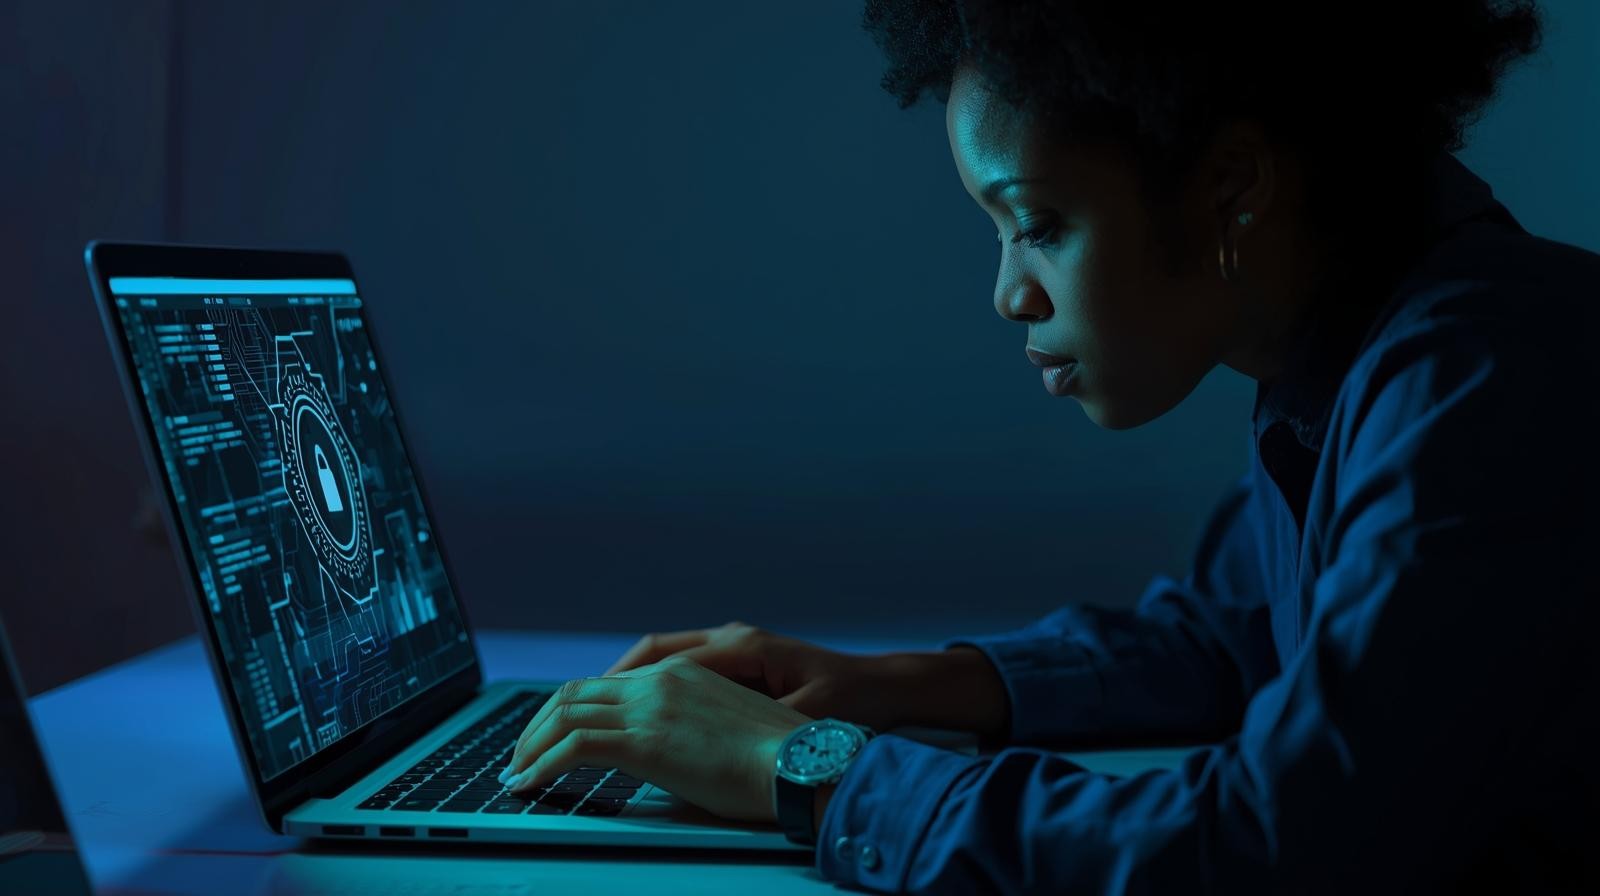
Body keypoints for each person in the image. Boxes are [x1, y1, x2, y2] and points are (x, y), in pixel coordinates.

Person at [500, 1, 1600, 890]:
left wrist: (794, 763)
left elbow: (1276, 845)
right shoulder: (1357, 354)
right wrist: (889, 681)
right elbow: (1238, 635)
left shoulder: (1483, 384)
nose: (1007, 293)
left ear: (1230, 185)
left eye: (1036, 222)